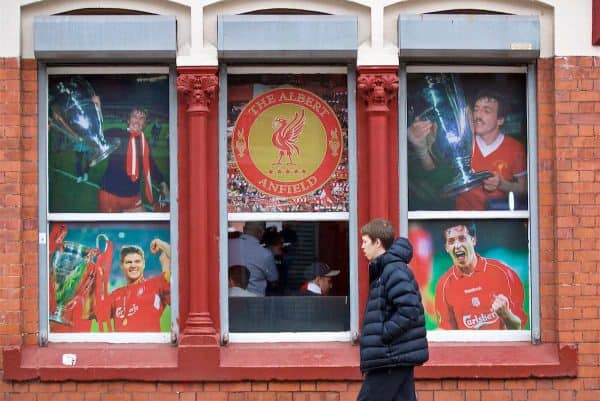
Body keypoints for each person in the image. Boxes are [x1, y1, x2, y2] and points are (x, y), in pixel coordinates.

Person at [408, 89, 527, 210]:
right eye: (476, 109)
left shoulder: (515, 147)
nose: (477, 115)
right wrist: (422, 149)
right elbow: (436, 176)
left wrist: (502, 184)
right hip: (463, 220)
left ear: (500, 120)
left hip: (497, 219)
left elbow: (524, 189)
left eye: (486, 111)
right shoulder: (459, 143)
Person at [357, 219, 428, 401]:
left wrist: (383, 333)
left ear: (378, 242)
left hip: (391, 357)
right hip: (395, 356)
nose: (362, 247)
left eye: (365, 241)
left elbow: (409, 309)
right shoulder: (386, 270)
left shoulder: (393, 270)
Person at [435, 221, 527, 330]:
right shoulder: (444, 285)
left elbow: (518, 329)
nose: (457, 245)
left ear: (473, 240)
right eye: (451, 241)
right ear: (446, 247)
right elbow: (447, 335)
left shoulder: (504, 273)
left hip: (500, 347)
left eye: (462, 239)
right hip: (466, 347)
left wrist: (506, 315)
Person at [98, 107, 169, 212]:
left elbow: (151, 166)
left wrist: (162, 182)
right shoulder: (116, 133)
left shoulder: (145, 143)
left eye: (142, 118)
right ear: (128, 120)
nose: (137, 121)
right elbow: (97, 134)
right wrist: (98, 108)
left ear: (145, 124)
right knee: (110, 228)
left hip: (132, 196)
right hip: (110, 195)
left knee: (143, 227)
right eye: (134, 117)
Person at [109, 239, 171, 332]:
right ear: (122, 265)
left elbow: (178, 260)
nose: (133, 265)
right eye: (129, 262)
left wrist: (161, 243)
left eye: (137, 261)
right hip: (122, 346)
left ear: (143, 264)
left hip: (149, 346)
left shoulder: (157, 284)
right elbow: (89, 314)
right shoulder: (115, 295)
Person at [228, 221, 278, 296]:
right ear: (261, 232)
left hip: (228, 300)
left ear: (244, 229)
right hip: (255, 301)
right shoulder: (265, 254)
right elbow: (274, 280)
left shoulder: (227, 246)